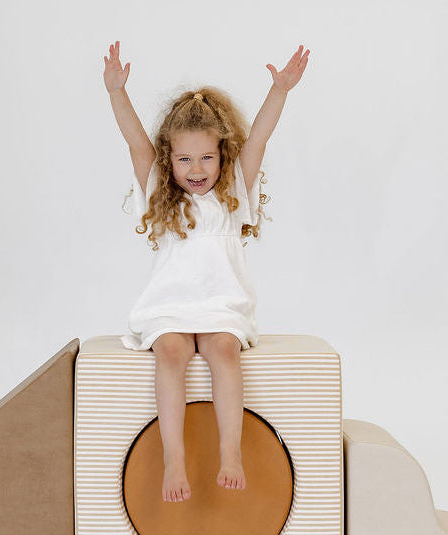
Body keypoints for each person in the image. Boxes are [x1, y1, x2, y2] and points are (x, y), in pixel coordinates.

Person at [102, 40, 309, 504]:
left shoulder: (231, 194)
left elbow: (259, 139)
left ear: (223, 156)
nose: (196, 169)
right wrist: (117, 93)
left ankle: (230, 452)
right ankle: (173, 458)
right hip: (170, 307)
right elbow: (136, 143)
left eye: (206, 158)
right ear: (169, 161)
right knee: (170, 353)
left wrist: (279, 91)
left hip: (221, 306)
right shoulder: (163, 195)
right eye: (184, 159)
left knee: (224, 351)